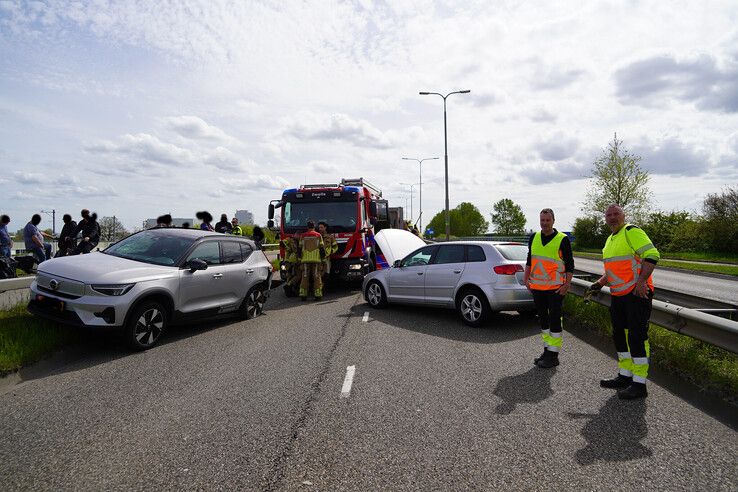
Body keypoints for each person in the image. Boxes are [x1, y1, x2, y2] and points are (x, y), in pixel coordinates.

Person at [588, 204, 660, 400]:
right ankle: (625, 376)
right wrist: (599, 283)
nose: (612, 217)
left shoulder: (631, 231)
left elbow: (652, 255)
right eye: (609, 215)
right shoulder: (610, 240)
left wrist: (642, 281)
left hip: (636, 295)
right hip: (619, 296)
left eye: (616, 214)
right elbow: (613, 270)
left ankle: (639, 383)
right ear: (605, 218)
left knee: (637, 338)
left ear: (623, 215)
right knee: (620, 336)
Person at [523, 208, 574, 369]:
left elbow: (570, 264)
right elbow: (530, 259)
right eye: (542, 220)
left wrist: (567, 284)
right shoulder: (534, 238)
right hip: (537, 287)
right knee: (543, 319)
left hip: (555, 288)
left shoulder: (562, 239)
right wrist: (526, 278)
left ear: (553, 221)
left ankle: (553, 355)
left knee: (554, 319)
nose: (544, 223)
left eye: (547, 220)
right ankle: (547, 350)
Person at [298, 220, 325, 301]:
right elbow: (322, 248)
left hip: (305, 260)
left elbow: (299, 248)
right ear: (314, 226)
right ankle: (318, 294)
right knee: (317, 276)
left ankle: (303, 294)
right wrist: (323, 259)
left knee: (305, 276)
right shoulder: (318, 235)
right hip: (316, 260)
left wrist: (299, 259)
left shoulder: (303, 236)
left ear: (307, 227)